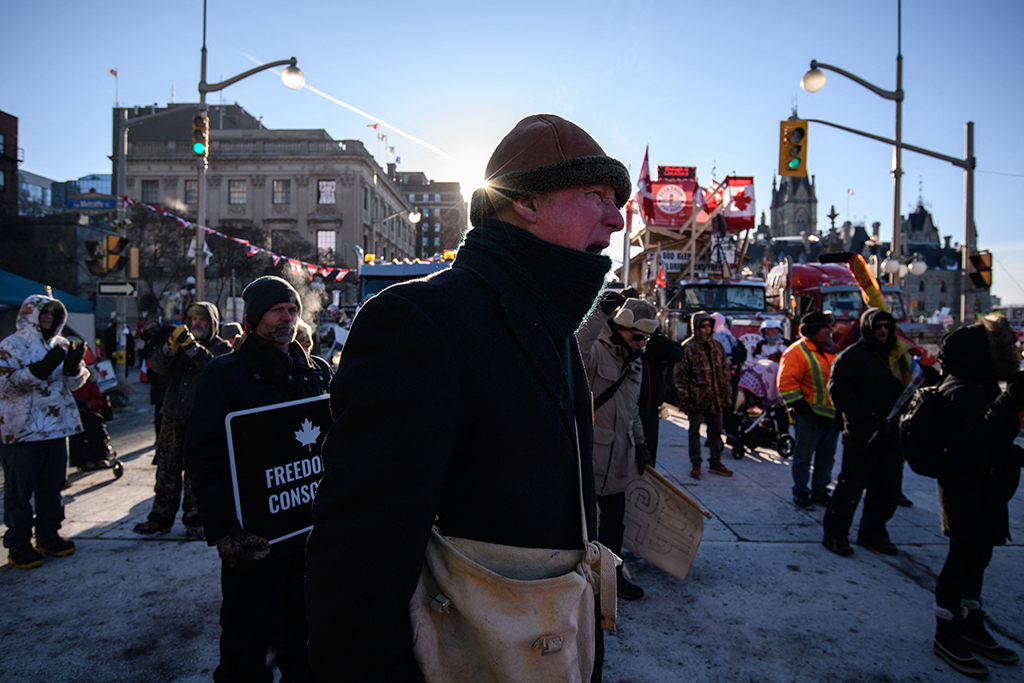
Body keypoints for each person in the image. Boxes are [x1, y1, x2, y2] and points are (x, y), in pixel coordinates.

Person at [306, 114, 631, 682]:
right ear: (526, 201)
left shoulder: (550, 326)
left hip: (544, 647)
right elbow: (358, 560)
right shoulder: (419, 322)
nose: (617, 216)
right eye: (596, 195)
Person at [185, 276, 331, 682]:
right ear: (253, 319)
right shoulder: (225, 375)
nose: (288, 318)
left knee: (305, 646)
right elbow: (204, 457)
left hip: (306, 539)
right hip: (255, 542)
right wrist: (225, 532)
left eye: (293, 309)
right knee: (244, 651)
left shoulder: (315, 371)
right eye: (277, 310)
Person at [927, 314, 1023, 677]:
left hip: (989, 485)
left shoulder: (982, 386)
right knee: (962, 558)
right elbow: (972, 441)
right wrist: (1008, 402)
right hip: (963, 487)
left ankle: (971, 621)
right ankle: (946, 631)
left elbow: (996, 442)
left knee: (979, 557)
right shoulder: (958, 390)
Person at [1, 295, 88, 569]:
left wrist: (74, 367)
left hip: (56, 429)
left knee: (52, 488)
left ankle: (48, 535)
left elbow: (74, 384)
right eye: (43, 312)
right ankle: (18, 543)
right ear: (30, 314)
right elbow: (7, 384)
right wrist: (41, 368)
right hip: (23, 432)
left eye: (53, 313)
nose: (48, 317)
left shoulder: (61, 344)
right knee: (19, 490)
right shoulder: (11, 345)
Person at [579, 296, 657, 601]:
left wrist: (641, 444)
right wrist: (598, 310)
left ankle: (611, 580)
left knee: (614, 527)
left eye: (645, 338)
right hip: (592, 459)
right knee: (585, 530)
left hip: (619, 463)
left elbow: (631, 410)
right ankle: (583, 587)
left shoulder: (634, 362)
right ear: (620, 328)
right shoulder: (597, 350)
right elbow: (578, 351)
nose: (640, 344)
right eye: (637, 336)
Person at [133, 302, 230, 539]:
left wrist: (193, 348)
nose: (196, 323)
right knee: (166, 469)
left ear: (212, 323)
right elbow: (156, 367)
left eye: (202, 319)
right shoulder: (176, 343)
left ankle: (196, 520)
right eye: (192, 318)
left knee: (196, 473)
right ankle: (160, 518)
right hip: (171, 416)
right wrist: (169, 348)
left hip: (202, 420)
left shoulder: (221, 347)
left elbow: (213, 369)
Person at [822, 307, 911, 556]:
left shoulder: (899, 357)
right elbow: (840, 393)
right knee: (851, 486)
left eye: (887, 326)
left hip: (892, 433)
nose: (883, 331)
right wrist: (869, 418)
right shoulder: (852, 358)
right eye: (878, 326)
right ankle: (836, 534)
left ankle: (874, 532)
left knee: (888, 488)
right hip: (863, 433)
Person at [777, 311, 840, 511]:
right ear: (814, 331)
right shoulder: (797, 351)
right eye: (826, 326)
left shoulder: (833, 351)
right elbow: (786, 384)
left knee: (826, 456)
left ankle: (821, 490)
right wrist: (804, 410)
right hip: (809, 416)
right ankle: (801, 491)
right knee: (803, 455)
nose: (830, 330)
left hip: (832, 416)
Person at [675, 310, 734, 479]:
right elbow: (680, 375)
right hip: (696, 398)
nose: (707, 329)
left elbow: (725, 371)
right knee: (694, 432)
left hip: (715, 397)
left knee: (716, 432)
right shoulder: (689, 347)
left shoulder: (717, 346)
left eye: (710, 325)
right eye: (704, 326)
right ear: (696, 327)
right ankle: (696, 463)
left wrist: (726, 394)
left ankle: (716, 462)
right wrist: (685, 397)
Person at [638, 327, 684, 467]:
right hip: (637, 404)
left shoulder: (657, 344)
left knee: (650, 449)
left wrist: (663, 342)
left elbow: (678, 353)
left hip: (652, 405)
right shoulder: (633, 349)